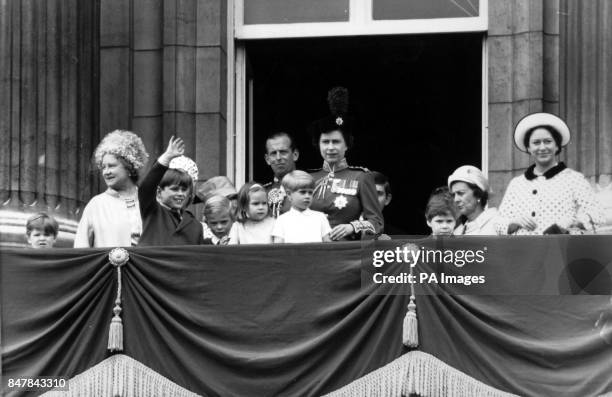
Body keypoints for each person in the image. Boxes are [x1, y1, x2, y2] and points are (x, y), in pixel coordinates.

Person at [497, 112, 604, 235]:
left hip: (559, 250)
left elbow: (598, 215)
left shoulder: (574, 179)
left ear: (557, 146)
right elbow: (499, 223)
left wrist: (571, 223)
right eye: (536, 143)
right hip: (522, 250)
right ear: (528, 148)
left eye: (548, 141)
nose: (542, 147)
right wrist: (514, 222)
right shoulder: (517, 184)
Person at [308, 87, 383, 240]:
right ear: (318, 145)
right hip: (310, 251)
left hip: (345, 253)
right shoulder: (308, 178)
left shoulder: (361, 177)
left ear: (347, 145)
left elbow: (377, 223)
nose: (330, 147)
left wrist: (353, 227)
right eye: (325, 142)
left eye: (336, 142)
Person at [74, 130, 149, 248]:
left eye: (112, 166)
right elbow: (81, 247)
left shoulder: (147, 201)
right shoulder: (97, 204)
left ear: (129, 167)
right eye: (103, 167)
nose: (106, 172)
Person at [138, 136, 204, 245]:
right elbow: (146, 188)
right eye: (174, 189)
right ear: (159, 192)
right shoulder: (153, 212)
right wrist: (167, 158)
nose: (180, 194)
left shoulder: (196, 226)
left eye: (184, 189)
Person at [272, 171, 331, 243]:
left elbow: (327, 244)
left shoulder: (320, 217)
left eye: (310, 192)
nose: (307, 196)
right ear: (289, 194)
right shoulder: (282, 220)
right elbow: (278, 247)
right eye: (302, 192)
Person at [448, 165, 500, 235]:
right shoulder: (460, 231)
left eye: (461, 193)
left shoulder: (498, 224)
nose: (456, 199)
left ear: (478, 194)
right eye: (453, 195)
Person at [263, 132, 299, 218]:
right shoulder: (262, 193)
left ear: (295, 155)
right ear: (267, 159)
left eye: (283, 152)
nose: (278, 157)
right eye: (273, 153)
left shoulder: (311, 187)